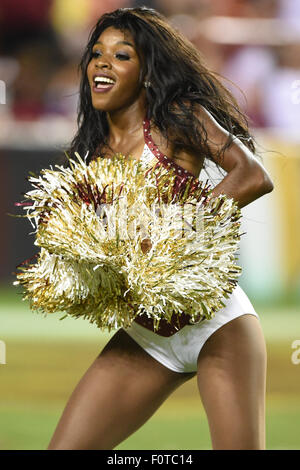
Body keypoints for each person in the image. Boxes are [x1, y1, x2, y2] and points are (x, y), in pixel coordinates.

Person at [47, 6, 274, 450]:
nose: (103, 63)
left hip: (216, 325)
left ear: (147, 70)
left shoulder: (177, 116)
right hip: (146, 335)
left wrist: (184, 231)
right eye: (96, 54)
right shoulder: (94, 154)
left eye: (122, 55)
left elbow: (252, 176)